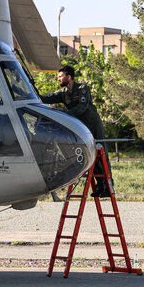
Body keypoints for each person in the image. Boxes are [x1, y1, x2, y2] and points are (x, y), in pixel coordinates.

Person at [41, 65, 112, 197]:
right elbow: (44, 99)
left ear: (69, 77)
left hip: (93, 125)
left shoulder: (83, 89)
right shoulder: (63, 94)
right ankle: (99, 186)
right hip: (81, 128)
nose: (58, 79)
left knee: (101, 154)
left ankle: (108, 186)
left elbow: (82, 107)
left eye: (60, 76)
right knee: (89, 156)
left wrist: (65, 115)